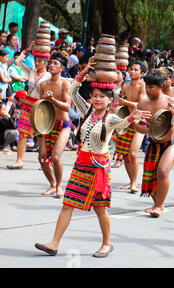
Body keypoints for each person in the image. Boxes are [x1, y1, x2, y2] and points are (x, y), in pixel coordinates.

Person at [34, 60, 150, 258]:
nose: (97, 99)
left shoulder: (110, 118)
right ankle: (54, 243)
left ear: (109, 100)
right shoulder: (86, 111)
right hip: (81, 165)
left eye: (101, 97)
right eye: (94, 96)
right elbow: (71, 92)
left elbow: (122, 124)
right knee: (68, 204)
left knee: (100, 209)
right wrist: (84, 72)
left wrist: (133, 117)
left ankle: (106, 243)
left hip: (98, 167)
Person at [134, 69, 174, 217]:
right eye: (147, 86)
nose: (148, 89)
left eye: (151, 87)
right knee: (150, 176)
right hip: (154, 142)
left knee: (162, 171)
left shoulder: (170, 101)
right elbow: (136, 125)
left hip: (172, 142)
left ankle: (158, 205)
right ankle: (158, 203)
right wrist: (148, 131)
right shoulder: (143, 103)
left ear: (160, 86)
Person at [6, 41, 52, 170]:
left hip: (42, 106)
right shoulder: (31, 71)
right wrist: (28, 50)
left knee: (41, 135)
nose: (36, 63)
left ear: (45, 63)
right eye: (36, 61)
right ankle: (19, 161)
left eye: (39, 61)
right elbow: (18, 62)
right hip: (28, 104)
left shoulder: (49, 76)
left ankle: (45, 162)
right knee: (22, 134)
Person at [38, 52, 72, 198]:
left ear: (62, 68)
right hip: (47, 123)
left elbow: (68, 107)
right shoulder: (43, 84)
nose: (51, 65)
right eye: (50, 63)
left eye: (55, 64)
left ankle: (59, 186)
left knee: (56, 157)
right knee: (42, 157)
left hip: (64, 124)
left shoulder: (65, 83)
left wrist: (53, 100)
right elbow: (41, 107)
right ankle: (52, 184)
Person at [112, 61, 146, 194]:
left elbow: (141, 105)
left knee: (133, 153)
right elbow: (122, 104)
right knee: (126, 155)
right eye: (131, 69)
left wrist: (126, 102)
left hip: (140, 123)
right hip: (127, 120)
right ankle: (131, 181)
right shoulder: (125, 86)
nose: (132, 72)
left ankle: (134, 182)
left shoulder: (142, 86)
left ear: (142, 73)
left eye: (136, 70)